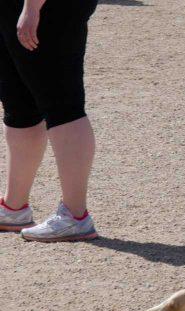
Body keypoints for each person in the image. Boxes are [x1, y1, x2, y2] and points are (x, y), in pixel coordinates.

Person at [0, 0, 99, 241]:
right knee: (19, 105)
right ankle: (14, 208)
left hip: (47, 6)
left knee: (63, 106)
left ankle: (75, 216)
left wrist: (32, 7)